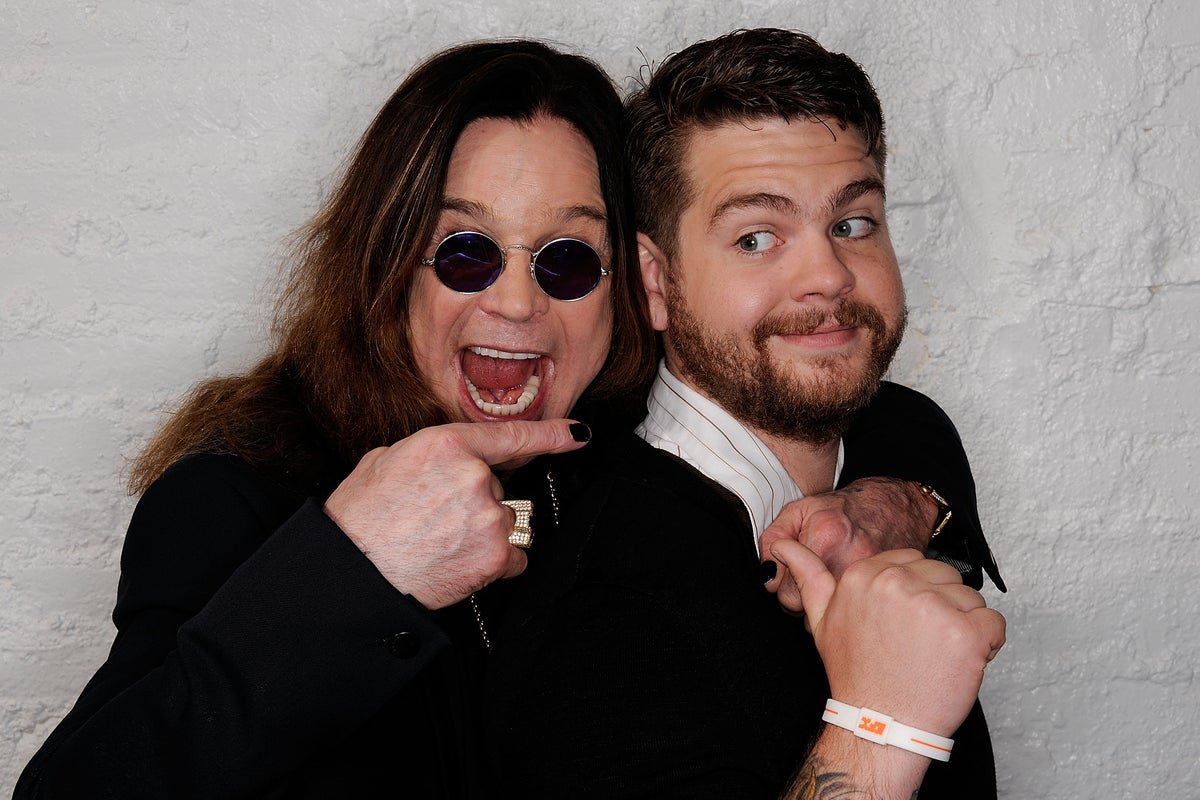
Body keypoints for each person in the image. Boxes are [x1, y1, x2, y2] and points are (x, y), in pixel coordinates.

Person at [14, 39, 657, 798]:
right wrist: (354, 569)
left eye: (568, 259)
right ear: (387, 268)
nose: (517, 302)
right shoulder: (231, 500)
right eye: (464, 251)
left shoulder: (640, 487)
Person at [484, 28, 1006, 800]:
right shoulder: (603, 615)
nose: (827, 274)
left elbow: (906, 420)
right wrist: (886, 726)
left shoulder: (884, 445)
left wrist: (910, 499)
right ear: (656, 282)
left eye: (852, 224)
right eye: (757, 237)